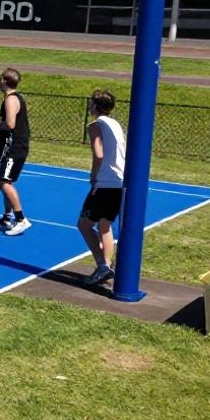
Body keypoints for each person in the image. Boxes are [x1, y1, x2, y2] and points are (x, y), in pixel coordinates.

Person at [77, 89, 127, 286]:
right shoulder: (115, 124)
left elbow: (98, 154)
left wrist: (94, 176)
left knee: (84, 224)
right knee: (105, 225)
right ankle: (106, 266)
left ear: (95, 106)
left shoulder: (95, 125)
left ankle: (102, 265)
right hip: (119, 181)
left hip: (105, 181)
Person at [0, 68, 32, 236]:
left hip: (13, 147)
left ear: (5, 81)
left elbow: (11, 124)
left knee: (3, 181)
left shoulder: (11, 99)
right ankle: (7, 217)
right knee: (5, 181)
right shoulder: (11, 99)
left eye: (0, 78)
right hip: (10, 145)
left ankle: (21, 219)